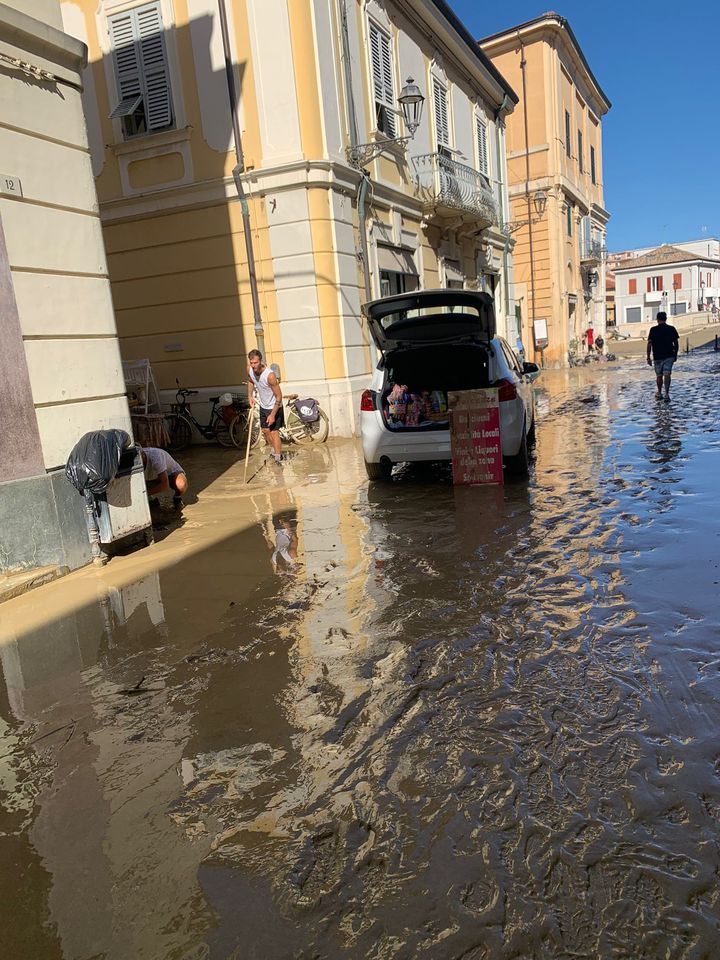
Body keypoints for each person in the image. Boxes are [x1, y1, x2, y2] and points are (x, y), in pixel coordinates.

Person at [247, 348, 283, 464]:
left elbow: (279, 396)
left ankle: (278, 457)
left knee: (274, 432)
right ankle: (273, 451)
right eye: (251, 363)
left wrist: (272, 415)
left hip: (274, 406)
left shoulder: (270, 375)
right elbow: (251, 381)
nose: (253, 366)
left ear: (260, 361)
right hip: (263, 405)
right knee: (265, 430)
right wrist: (250, 396)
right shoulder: (249, 369)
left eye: (255, 363)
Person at [646, 311, 679, 402]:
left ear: (657, 319)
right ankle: (667, 394)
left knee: (659, 375)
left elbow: (649, 343)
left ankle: (659, 392)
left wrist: (648, 357)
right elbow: (676, 343)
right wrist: (675, 354)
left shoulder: (653, 330)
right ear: (666, 319)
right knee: (667, 374)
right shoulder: (671, 329)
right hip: (669, 355)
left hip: (657, 356)